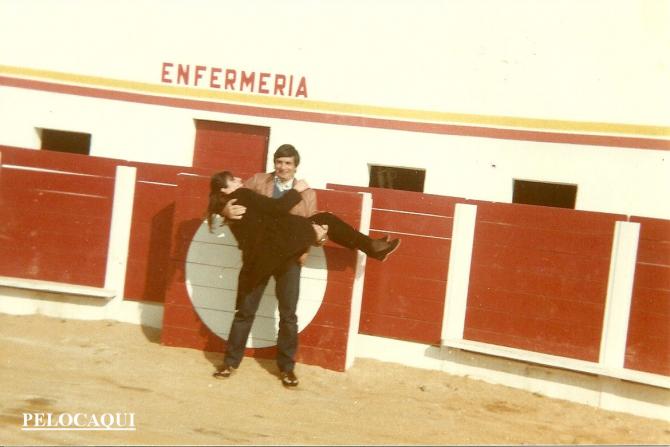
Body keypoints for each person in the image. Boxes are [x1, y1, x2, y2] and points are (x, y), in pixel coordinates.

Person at [207, 170, 400, 386]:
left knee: (253, 314)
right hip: (272, 255)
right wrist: (297, 191)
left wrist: (221, 209)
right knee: (284, 315)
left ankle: (231, 364)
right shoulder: (247, 190)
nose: (239, 179)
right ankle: (285, 369)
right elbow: (277, 207)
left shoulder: (244, 192)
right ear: (224, 189)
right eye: (233, 180)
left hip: (275, 254)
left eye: (287, 163)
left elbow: (269, 213)